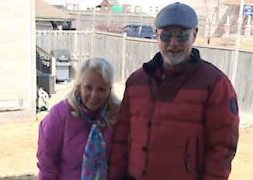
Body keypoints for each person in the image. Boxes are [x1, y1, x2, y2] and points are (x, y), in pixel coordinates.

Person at [108, 2, 239, 180]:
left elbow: (222, 147)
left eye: (182, 36)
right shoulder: (137, 82)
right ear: (156, 35)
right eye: (166, 36)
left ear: (194, 35)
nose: (173, 43)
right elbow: (121, 138)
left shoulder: (214, 84)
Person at [37, 57, 119, 180]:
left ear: (109, 90)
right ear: (79, 86)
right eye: (88, 87)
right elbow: (46, 165)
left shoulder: (116, 115)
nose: (94, 95)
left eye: (101, 89)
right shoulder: (59, 115)